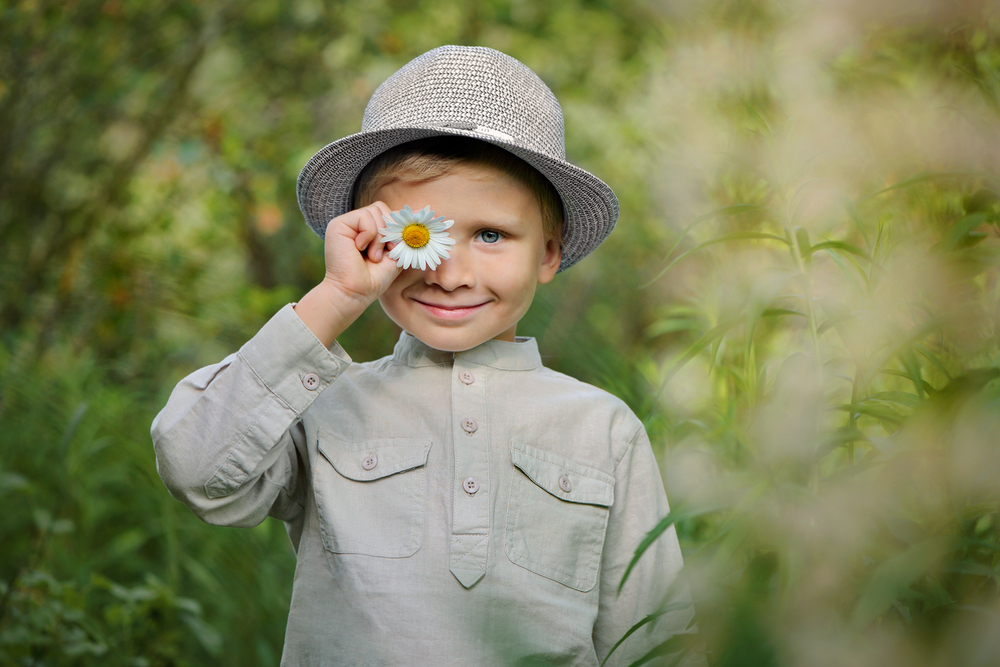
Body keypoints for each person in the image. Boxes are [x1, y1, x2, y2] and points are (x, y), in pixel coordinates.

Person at [152, 45, 697, 666]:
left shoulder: (602, 428)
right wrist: (335, 298)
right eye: (417, 234)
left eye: (490, 235)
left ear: (548, 253)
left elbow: (655, 640)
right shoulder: (324, 406)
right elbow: (195, 466)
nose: (451, 273)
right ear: (373, 240)